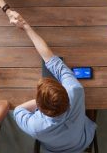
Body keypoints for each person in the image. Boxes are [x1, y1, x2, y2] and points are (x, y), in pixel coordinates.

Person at [10, 13, 96, 152]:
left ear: (39, 106)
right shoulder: (75, 90)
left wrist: (25, 27)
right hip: (83, 140)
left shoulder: (35, 127)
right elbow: (52, 60)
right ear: (65, 93)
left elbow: (18, 111)